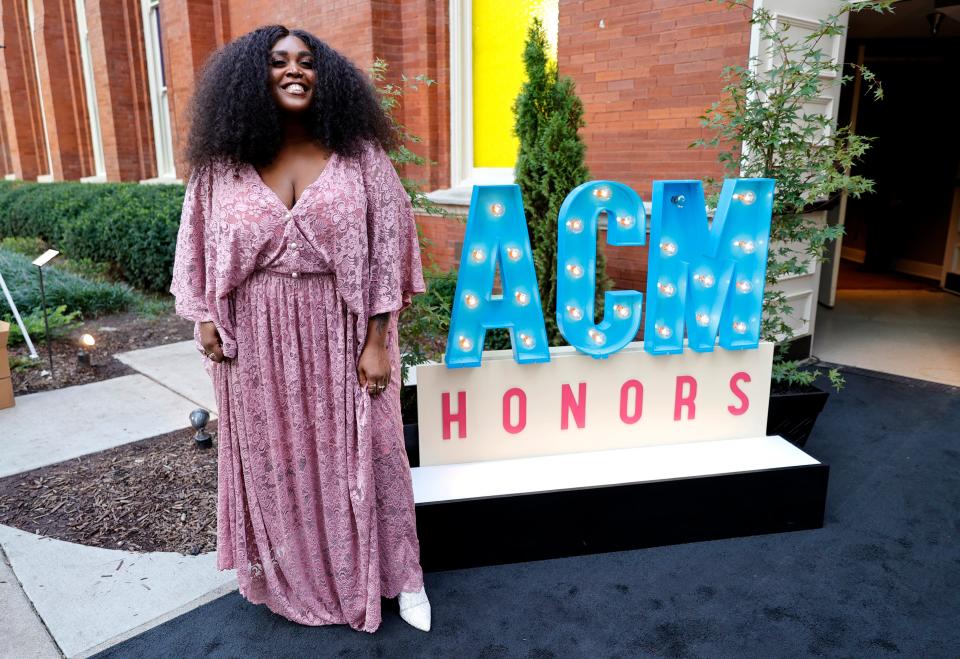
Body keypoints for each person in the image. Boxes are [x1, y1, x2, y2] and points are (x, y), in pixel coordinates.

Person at [169, 25, 430, 633]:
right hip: (254, 339)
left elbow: (389, 249)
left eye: (306, 62)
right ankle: (294, 577)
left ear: (325, 75)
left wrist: (376, 339)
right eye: (278, 61)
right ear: (251, 78)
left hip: (341, 333)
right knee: (275, 461)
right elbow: (197, 246)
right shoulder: (222, 167)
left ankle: (401, 577)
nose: (294, 71)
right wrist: (205, 315)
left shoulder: (361, 157)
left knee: (374, 452)